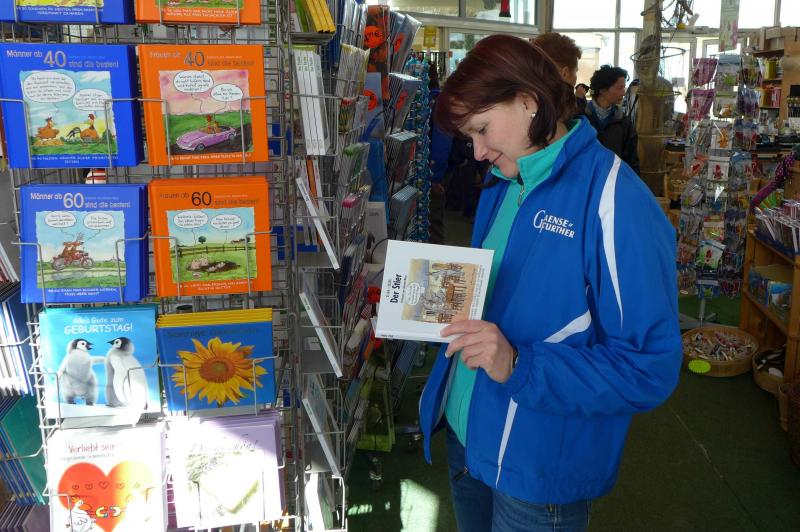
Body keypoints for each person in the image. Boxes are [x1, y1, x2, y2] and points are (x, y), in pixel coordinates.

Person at [418, 34, 681, 532]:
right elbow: (507, 295)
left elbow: (648, 366)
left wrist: (518, 363)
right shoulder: (505, 180)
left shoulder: (616, 201)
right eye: (469, 137)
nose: (478, 152)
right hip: (466, 431)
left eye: (481, 130)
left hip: (535, 467)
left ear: (528, 101)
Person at [586, 65, 640, 174]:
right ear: (602, 90)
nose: (624, 93)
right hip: (585, 179)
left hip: (613, 180)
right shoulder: (581, 119)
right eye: (619, 88)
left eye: (624, 87)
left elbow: (632, 162)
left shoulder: (624, 123)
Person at [532, 32, 585, 114]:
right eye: (575, 71)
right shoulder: (563, 112)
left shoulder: (522, 102)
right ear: (565, 73)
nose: (575, 77)